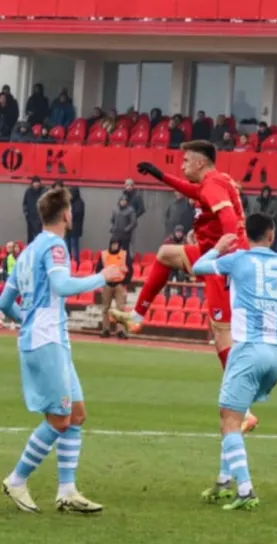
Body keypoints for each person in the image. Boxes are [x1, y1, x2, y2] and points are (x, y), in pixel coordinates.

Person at [110, 140, 257, 433]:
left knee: (222, 335)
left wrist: (227, 247)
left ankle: (246, 411)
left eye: (186, 161)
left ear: (200, 163)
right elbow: (195, 192)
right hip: (209, 255)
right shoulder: (213, 181)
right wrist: (160, 175)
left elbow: (228, 218)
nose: (182, 165)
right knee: (166, 254)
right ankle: (138, 316)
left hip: (221, 264)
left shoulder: (213, 185)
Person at [0, 188, 125, 513]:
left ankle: (67, 490)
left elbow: (4, 302)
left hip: (45, 338)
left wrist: (25, 321)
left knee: (76, 415)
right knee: (59, 419)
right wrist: (102, 276)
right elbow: (62, 286)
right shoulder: (55, 246)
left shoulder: (27, 251)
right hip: (47, 340)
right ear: (67, 214)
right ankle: (16, 480)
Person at [191, 214, 277, 511]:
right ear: (272, 235)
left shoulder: (237, 259)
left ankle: (246, 490)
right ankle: (224, 482)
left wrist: (219, 248)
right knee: (231, 415)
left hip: (249, 348)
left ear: (245, 235)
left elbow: (198, 267)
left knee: (230, 419)